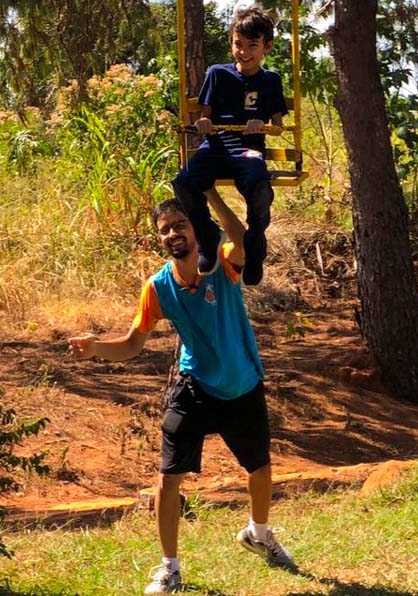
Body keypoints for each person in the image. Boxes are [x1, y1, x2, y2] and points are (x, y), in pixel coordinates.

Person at [68, 190, 296, 595]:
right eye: (165, 229)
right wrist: (96, 347)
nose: (173, 233)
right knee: (168, 478)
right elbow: (132, 343)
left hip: (242, 383)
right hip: (195, 386)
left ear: (196, 228)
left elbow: (243, 239)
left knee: (259, 469)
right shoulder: (157, 288)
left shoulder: (223, 263)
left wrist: (209, 194)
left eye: (180, 225)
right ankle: (169, 569)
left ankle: (259, 533)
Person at [173, 5, 286, 286]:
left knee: (259, 186)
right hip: (217, 144)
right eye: (238, 44)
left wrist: (262, 125)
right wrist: (203, 123)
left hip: (247, 148)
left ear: (267, 47)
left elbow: (278, 125)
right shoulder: (218, 74)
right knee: (184, 182)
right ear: (230, 43)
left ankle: (255, 242)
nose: (243, 52)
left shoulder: (270, 81)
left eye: (252, 45)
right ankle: (207, 235)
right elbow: (205, 116)